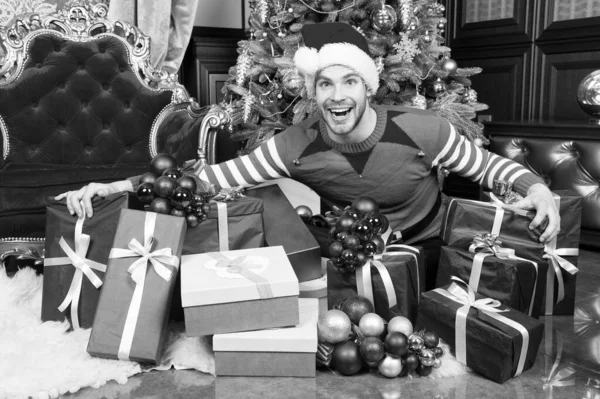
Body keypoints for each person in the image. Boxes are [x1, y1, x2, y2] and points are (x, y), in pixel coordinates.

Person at [57, 22, 559, 288]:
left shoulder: (421, 129)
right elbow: (209, 178)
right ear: (312, 92)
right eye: (325, 84)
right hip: (350, 251)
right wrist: (116, 187)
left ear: (367, 87)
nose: (337, 96)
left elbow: (492, 167)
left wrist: (538, 190)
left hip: (427, 250)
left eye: (348, 82)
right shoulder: (296, 143)